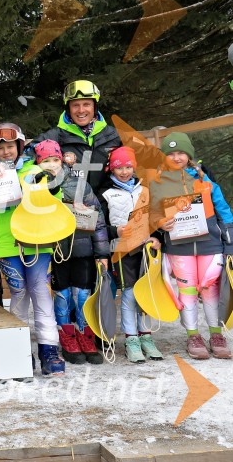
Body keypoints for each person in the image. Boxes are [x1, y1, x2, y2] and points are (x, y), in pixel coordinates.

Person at [0, 123, 66, 377]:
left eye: (10, 146)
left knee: (41, 293)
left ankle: (49, 349)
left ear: (20, 146)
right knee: (19, 293)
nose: (6, 151)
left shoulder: (34, 170)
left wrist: (38, 189)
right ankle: (19, 349)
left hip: (36, 240)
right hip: (6, 242)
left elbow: (55, 201)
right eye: (0, 148)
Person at [149, 132, 233, 360]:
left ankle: (216, 334)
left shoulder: (205, 182)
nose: (176, 158)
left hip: (210, 245)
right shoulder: (158, 184)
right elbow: (152, 214)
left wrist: (230, 243)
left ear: (189, 155)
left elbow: (224, 212)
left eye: (181, 153)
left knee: (209, 287)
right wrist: (160, 223)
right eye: (171, 153)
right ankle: (193, 335)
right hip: (179, 247)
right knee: (187, 290)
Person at [33, 139, 109, 365]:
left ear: (61, 160)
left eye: (55, 159)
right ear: (38, 163)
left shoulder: (79, 184)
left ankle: (85, 335)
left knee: (83, 295)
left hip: (82, 248)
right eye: (45, 161)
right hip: (55, 251)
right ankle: (67, 337)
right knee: (63, 295)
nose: (51, 165)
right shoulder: (36, 186)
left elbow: (98, 220)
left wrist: (102, 253)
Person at [100, 146, 164, 363]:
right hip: (122, 249)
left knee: (146, 291)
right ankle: (132, 339)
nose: (124, 171)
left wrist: (157, 238)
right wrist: (114, 231)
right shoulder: (106, 193)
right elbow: (100, 225)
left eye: (128, 166)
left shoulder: (144, 190)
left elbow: (156, 218)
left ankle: (146, 336)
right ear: (112, 169)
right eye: (119, 168)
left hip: (145, 248)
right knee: (128, 294)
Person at [30, 80, 121, 194]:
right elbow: (23, 159)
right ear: (68, 109)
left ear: (94, 106)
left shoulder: (114, 136)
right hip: (68, 207)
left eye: (86, 104)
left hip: (106, 206)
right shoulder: (54, 137)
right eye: (75, 105)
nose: (81, 110)